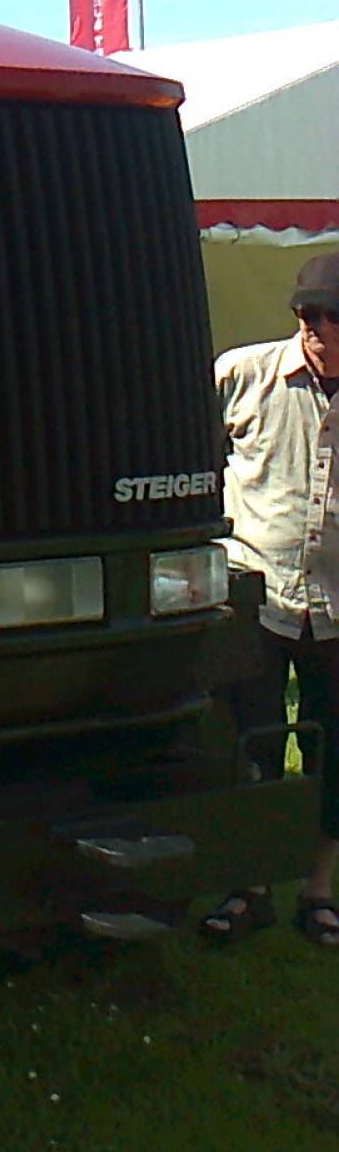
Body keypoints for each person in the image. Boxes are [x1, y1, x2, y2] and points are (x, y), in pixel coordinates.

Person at [201, 249, 339, 947]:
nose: (318, 329)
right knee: (248, 746)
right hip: (255, 595)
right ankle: (246, 885)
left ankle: (318, 891)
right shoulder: (242, 374)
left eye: (333, 317)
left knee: (332, 756)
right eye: (308, 314)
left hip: (338, 608)